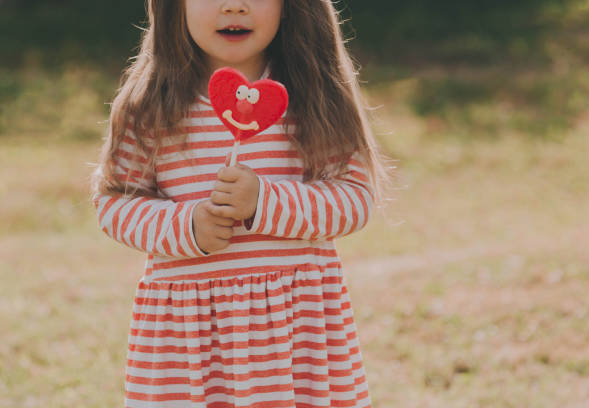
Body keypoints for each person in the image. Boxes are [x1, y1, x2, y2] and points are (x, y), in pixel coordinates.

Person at [90, 0, 389, 406]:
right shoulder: (151, 107)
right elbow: (115, 202)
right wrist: (187, 227)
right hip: (190, 344)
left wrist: (264, 201)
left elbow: (354, 198)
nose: (234, 6)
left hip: (293, 337)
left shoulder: (314, 97)